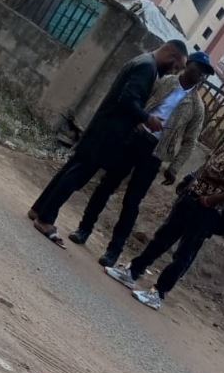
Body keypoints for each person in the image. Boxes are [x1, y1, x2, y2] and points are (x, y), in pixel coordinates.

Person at [105, 100, 224, 310]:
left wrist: (210, 201)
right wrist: (192, 179)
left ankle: (158, 293)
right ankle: (133, 272)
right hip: (192, 197)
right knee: (163, 236)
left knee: (184, 253)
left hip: (209, 211)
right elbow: (211, 161)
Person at [29, 40, 189, 246]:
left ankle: (38, 210)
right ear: (171, 56)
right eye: (176, 66)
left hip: (103, 127)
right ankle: (45, 219)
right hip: (108, 133)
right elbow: (128, 100)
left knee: (70, 169)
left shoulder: (143, 62)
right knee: (76, 176)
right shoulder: (147, 68)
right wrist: (147, 118)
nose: (173, 72)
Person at [68, 51, 215, 267]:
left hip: (155, 153)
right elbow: (141, 100)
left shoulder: (197, 107)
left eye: (204, 74)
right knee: (106, 185)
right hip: (134, 137)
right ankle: (84, 229)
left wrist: (174, 167)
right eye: (199, 69)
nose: (201, 75)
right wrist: (137, 120)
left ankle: (113, 251)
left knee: (132, 201)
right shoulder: (165, 81)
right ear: (188, 64)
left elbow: (190, 141)